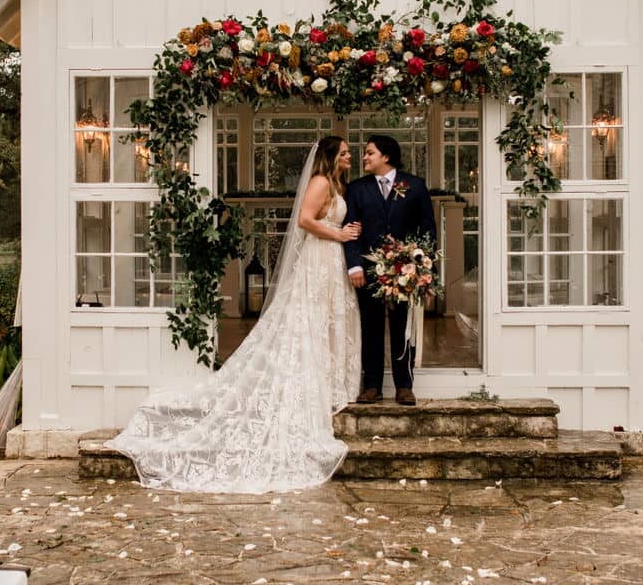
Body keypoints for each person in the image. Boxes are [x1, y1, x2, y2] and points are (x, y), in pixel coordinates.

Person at [111, 136, 362, 492]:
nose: (350, 155)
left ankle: (327, 379)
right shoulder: (321, 182)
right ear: (330, 157)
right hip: (319, 258)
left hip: (329, 259)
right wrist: (340, 234)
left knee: (326, 323)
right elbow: (305, 220)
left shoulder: (338, 184)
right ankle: (312, 383)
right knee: (309, 323)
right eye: (345, 152)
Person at [344, 134, 436, 406]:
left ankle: (404, 385)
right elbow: (350, 230)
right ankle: (371, 385)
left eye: (370, 152)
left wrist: (424, 269)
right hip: (369, 272)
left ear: (386, 156)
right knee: (370, 328)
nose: (364, 157)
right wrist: (354, 264)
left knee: (402, 328)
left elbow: (427, 230)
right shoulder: (357, 188)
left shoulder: (415, 186)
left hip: (404, 270)